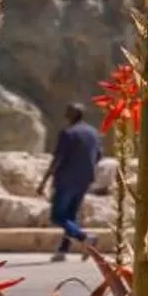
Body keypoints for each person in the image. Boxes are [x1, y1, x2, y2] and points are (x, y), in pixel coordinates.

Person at [45, 102, 102, 263]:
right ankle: (62, 251)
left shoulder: (68, 133)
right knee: (71, 216)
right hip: (84, 179)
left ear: (72, 115)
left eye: (68, 113)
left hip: (65, 179)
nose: (65, 115)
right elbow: (98, 155)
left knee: (57, 216)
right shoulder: (93, 133)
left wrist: (44, 180)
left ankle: (85, 237)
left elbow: (58, 158)